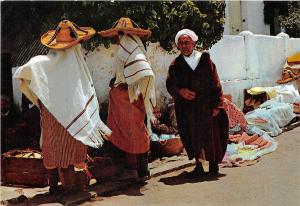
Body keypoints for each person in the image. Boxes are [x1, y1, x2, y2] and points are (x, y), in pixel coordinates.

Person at [14, 20, 112, 193]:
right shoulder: (76, 65)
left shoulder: (42, 63)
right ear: (75, 44)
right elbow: (82, 90)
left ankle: (55, 185)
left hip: (52, 112)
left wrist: (40, 95)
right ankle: (71, 186)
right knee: (70, 148)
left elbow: (22, 72)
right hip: (71, 111)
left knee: (53, 146)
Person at [166, 29, 229, 179]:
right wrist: (180, 91)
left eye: (187, 42)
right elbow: (170, 84)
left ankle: (213, 166)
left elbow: (216, 83)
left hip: (207, 107)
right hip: (188, 109)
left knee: (211, 135)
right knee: (192, 136)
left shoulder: (206, 61)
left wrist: (217, 106)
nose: (184, 46)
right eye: (181, 43)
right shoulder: (176, 65)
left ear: (194, 43)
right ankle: (198, 166)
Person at [99, 17, 156, 179]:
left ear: (123, 34)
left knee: (136, 132)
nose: (116, 38)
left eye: (118, 34)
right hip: (123, 100)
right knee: (126, 133)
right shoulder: (126, 49)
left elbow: (144, 72)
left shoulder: (131, 48)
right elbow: (123, 74)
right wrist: (117, 83)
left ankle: (142, 170)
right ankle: (132, 168)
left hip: (131, 99)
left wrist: (128, 85)